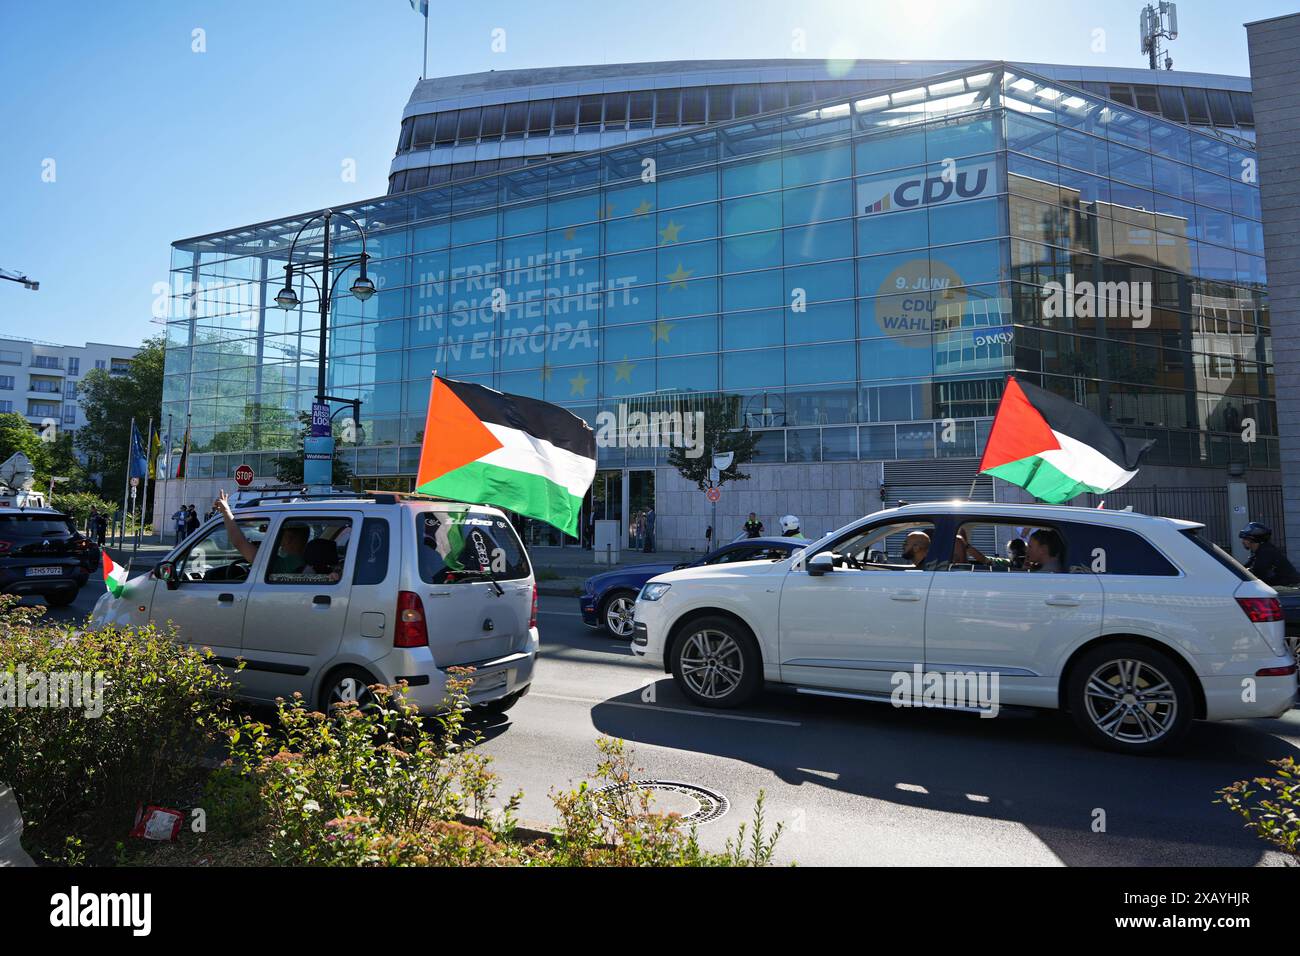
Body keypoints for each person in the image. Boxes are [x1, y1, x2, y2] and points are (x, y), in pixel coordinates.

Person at [214, 489, 309, 575]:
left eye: (281, 533)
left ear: (288, 538)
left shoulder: (282, 564)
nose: (278, 537)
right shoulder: (307, 561)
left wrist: (226, 511)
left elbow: (239, 542)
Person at [1239, 522, 1300, 587]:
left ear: (1254, 539)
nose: (1243, 542)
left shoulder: (1266, 552)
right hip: (1282, 586)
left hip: (1289, 588)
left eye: (1245, 539)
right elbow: (1244, 568)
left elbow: (1256, 571)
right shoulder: (1260, 551)